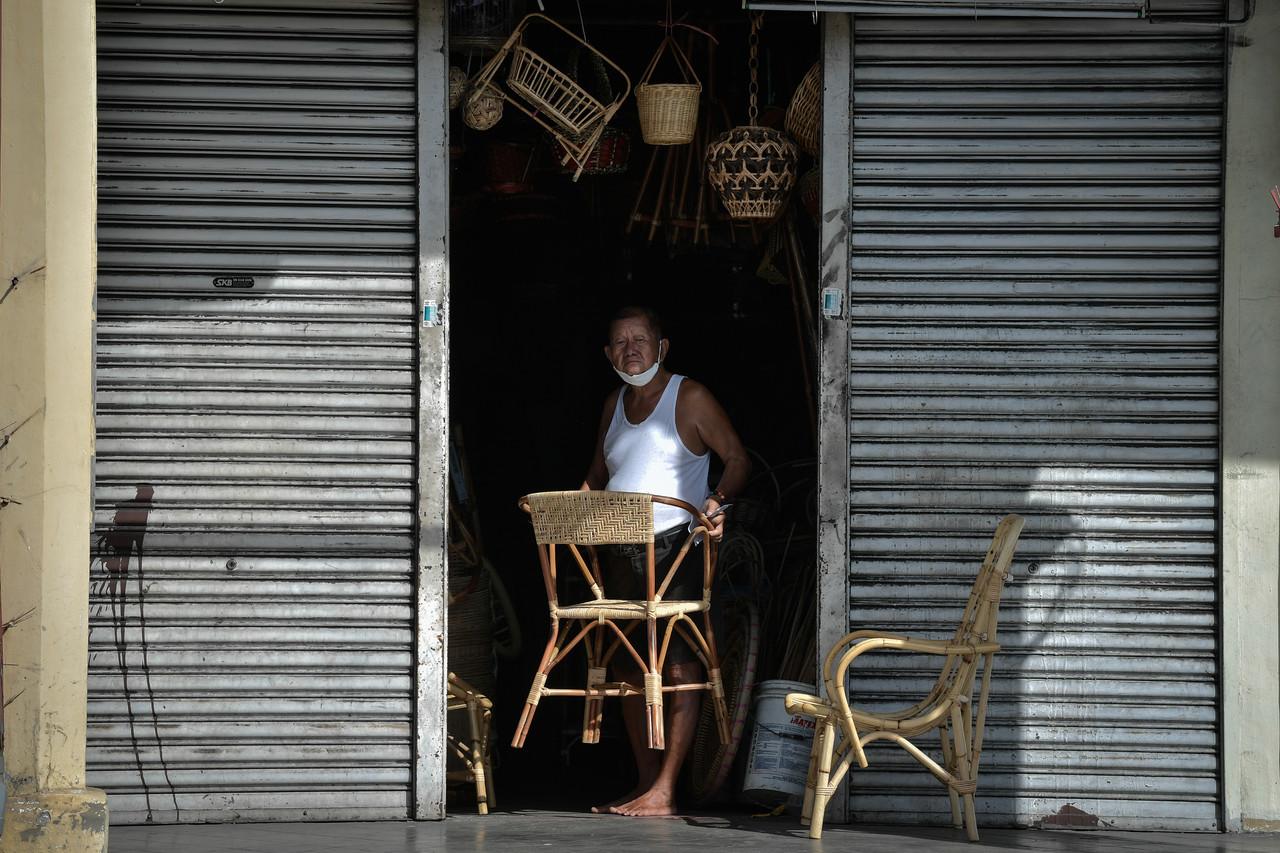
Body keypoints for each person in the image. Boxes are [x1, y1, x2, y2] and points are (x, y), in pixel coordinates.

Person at [580, 305, 749, 817]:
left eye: (640, 339)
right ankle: (646, 782)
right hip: (621, 550)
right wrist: (568, 511)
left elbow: (738, 458)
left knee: (677, 667)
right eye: (620, 341)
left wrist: (716, 506)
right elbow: (596, 475)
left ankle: (668, 790)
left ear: (662, 346)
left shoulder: (689, 397)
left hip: (676, 549)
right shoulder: (612, 404)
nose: (630, 349)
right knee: (631, 668)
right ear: (609, 354)